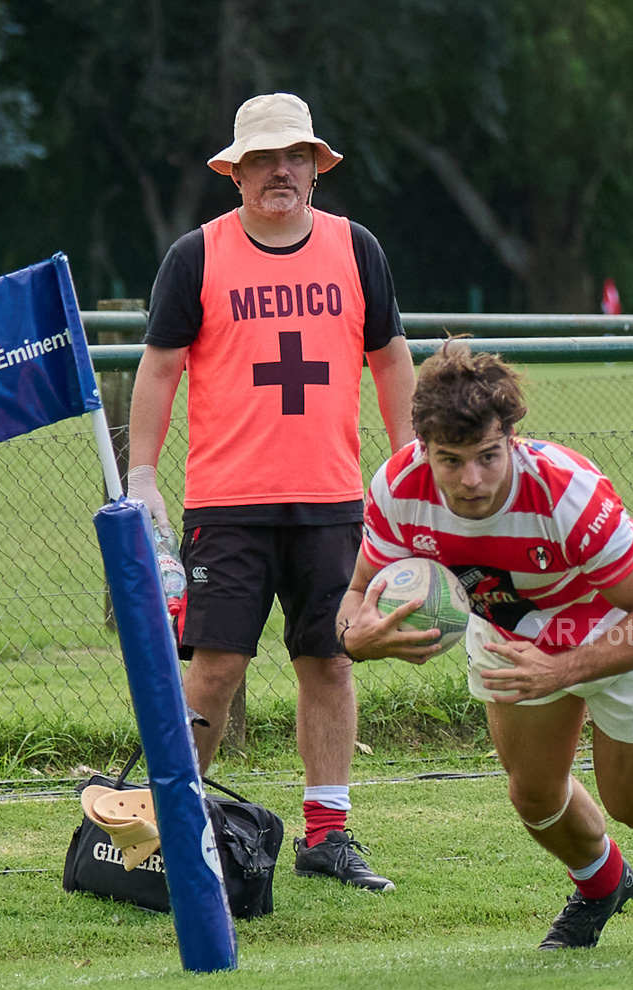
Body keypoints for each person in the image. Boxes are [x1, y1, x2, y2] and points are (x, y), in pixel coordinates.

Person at [337, 341, 633, 948]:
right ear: (422, 446)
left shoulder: (566, 494)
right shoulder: (398, 489)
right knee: (534, 794)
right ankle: (601, 885)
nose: (471, 480)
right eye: (450, 460)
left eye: (488, 456)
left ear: (512, 438)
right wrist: (358, 639)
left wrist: (563, 670)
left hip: (619, 619)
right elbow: (355, 595)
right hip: (512, 630)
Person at [126, 93, 417, 892]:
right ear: (236, 173)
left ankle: (328, 834)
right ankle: (175, 830)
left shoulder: (357, 249)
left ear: (318, 168)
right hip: (228, 504)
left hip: (332, 501)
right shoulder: (197, 255)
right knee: (215, 668)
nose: (280, 171)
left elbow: (391, 357)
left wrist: (409, 464)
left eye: (295, 156)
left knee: (330, 661)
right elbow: (159, 366)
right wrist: (142, 475)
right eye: (262, 159)